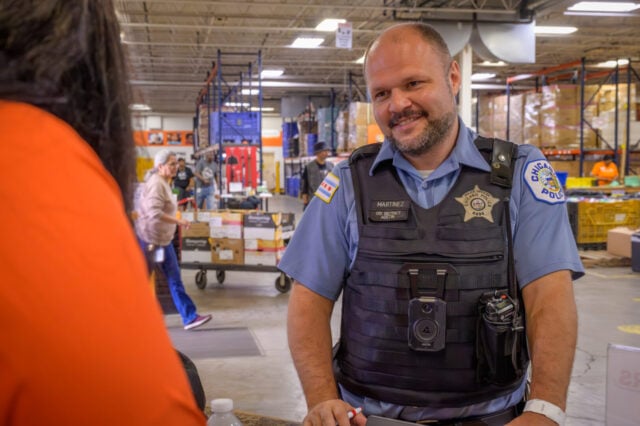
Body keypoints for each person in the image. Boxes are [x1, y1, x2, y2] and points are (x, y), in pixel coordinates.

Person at [279, 22, 584, 426]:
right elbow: (308, 300)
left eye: (413, 83)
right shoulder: (349, 182)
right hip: (367, 417)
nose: (398, 104)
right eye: (382, 93)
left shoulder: (519, 174)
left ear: (453, 76)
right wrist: (320, 399)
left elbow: (550, 298)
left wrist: (545, 409)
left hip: (492, 417)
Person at [0, 1, 206, 424]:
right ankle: (185, 316)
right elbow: (141, 408)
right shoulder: (43, 168)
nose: (174, 169)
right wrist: (167, 226)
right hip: (153, 241)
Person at [136, 149, 212, 331]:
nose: (175, 167)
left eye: (176, 164)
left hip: (163, 241)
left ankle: (190, 317)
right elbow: (154, 213)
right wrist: (178, 221)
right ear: (160, 166)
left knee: (174, 279)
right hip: (150, 241)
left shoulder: (164, 182)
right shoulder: (156, 184)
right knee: (141, 282)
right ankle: (129, 319)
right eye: (171, 164)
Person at [300, 141, 334, 210]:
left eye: (327, 151)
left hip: (328, 201)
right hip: (313, 201)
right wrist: (305, 201)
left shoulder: (331, 166)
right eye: (324, 151)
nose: (327, 153)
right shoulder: (309, 167)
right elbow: (305, 185)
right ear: (317, 153)